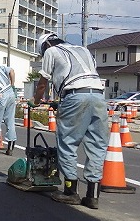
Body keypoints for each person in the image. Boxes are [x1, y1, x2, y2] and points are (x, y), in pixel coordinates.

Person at [32, 32, 108, 209]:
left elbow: (43, 82)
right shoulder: (84, 50)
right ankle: (92, 196)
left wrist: (35, 101)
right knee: (97, 145)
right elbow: (83, 77)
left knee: (67, 143)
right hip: (98, 97)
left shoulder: (51, 51)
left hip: (74, 96)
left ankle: (70, 192)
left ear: (45, 46)